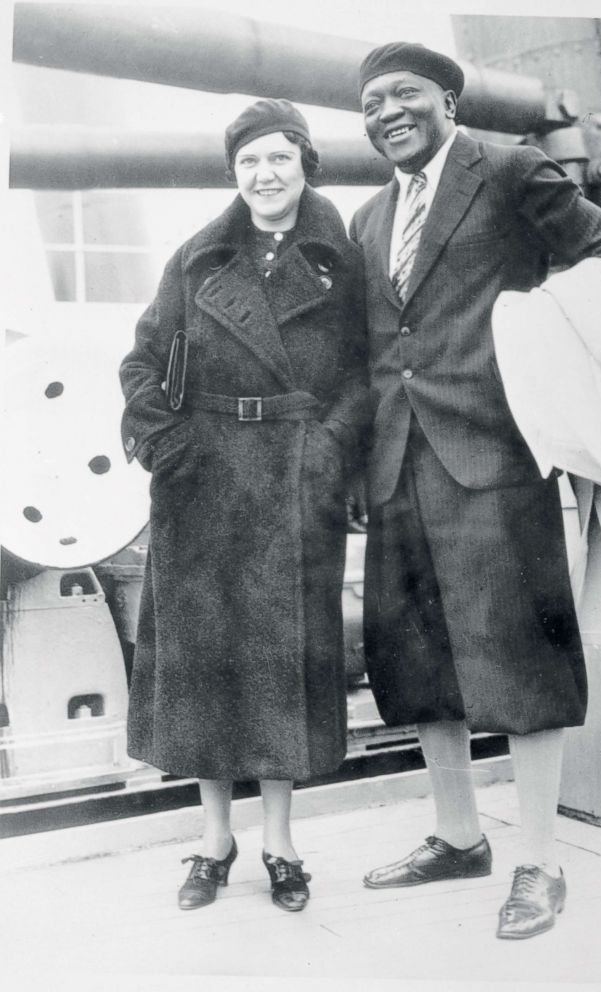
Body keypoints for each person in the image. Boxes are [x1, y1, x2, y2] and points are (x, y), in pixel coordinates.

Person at [349, 42, 601, 940]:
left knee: (518, 657)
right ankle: (458, 837)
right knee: (415, 660)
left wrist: (532, 350)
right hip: (397, 464)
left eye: (404, 94)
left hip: (492, 458)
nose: (387, 112)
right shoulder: (369, 216)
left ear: (448, 98)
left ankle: (540, 863)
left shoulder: (510, 167)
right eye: (370, 103)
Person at [119, 98, 368, 914]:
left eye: (279, 159)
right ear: (235, 175)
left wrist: (328, 448)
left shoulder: (344, 258)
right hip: (202, 481)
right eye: (249, 163)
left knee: (281, 661)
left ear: (306, 165)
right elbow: (141, 362)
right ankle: (213, 838)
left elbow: (367, 372)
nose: (265, 176)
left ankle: (282, 841)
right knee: (203, 663)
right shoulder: (198, 256)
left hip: (294, 476)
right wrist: (168, 445)